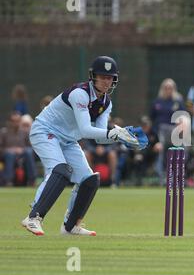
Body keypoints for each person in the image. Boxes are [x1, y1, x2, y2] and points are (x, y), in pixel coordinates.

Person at [21, 56, 148, 236]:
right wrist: (114, 133)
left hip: (68, 140)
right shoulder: (80, 94)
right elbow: (86, 130)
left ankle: (70, 226)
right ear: (93, 76)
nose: (106, 81)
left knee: (89, 180)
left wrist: (121, 137)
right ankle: (33, 217)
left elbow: (100, 137)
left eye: (110, 77)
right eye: (102, 76)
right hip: (45, 131)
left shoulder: (106, 103)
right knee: (59, 170)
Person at [0, 112, 36, 186]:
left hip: (22, 154)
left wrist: (22, 149)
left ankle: (32, 180)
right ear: (9, 122)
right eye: (13, 121)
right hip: (7, 154)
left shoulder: (24, 132)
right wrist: (9, 150)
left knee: (29, 151)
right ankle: (8, 181)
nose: (15, 123)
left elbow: (31, 146)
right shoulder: (3, 132)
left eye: (18, 121)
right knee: (10, 155)